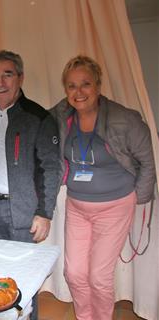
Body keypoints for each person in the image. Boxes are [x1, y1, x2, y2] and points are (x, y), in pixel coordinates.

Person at [50, 55, 156, 320]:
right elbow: (32, 119)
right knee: (73, 272)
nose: (79, 92)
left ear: (98, 85)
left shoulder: (124, 119)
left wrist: (139, 199)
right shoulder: (61, 116)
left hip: (114, 207)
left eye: (85, 84)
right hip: (77, 205)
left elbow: (147, 162)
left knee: (98, 275)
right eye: (72, 86)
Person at [0, 50, 60, 320]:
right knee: (3, 276)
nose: (0, 82)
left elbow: (51, 167)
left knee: (26, 277)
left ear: (21, 78)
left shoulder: (37, 117)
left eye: (8, 74)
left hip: (25, 212)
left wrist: (45, 213)